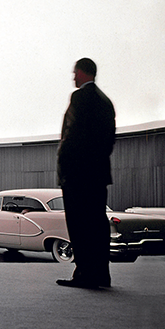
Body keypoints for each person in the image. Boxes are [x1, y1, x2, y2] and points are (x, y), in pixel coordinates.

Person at [56, 58, 116, 289]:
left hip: (77, 175)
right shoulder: (105, 101)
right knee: (97, 224)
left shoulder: (79, 97)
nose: (73, 77)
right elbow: (109, 140)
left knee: (79, 224)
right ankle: (101, 274)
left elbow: (71, 136)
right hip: (98, 174)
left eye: (75, 72)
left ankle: (84, 274)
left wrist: (65, 167)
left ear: (82, 72)